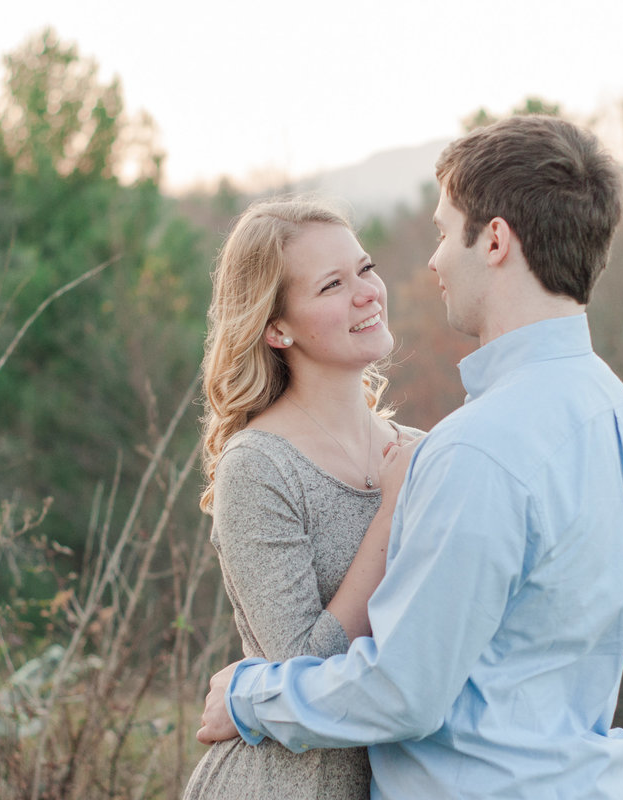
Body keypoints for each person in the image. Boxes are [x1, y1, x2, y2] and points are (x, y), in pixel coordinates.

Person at [196, 115, 623, 799]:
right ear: (276, 327)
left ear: (494, 240)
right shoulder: (618, 412)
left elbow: (406, 689)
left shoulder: (471, 449)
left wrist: (247, 695)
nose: (432, 261)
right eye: (332, 284)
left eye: (443, 232)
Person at [183, 198, 423, 799]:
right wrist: (391, 516)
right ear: (276, 327)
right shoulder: (259, 467)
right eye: (332, 285)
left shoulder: (422, 452)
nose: (367, 292)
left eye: (365, 269)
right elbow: (297, 677)